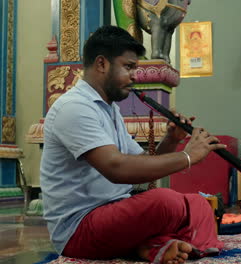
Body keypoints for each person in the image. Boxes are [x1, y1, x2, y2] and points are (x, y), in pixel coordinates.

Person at [40, 25, 226, 264]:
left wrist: (172, 140)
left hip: (116, 213)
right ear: (101, 64)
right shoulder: (74, 108)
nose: (135, 76)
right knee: (165, 202)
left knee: (198, 203)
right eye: (128, 67)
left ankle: (152, 246)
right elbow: (116, 169)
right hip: (79, 229)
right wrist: (188, 157)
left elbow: (141, 170)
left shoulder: (109, 109)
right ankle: (172, 244)